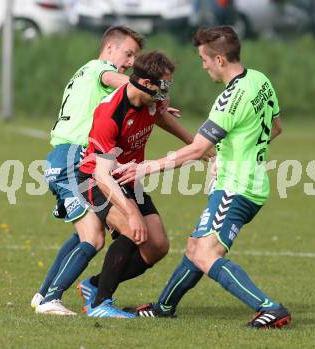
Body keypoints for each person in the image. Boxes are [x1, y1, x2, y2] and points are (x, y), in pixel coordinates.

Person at [117, 26, 291, 328]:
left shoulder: (229, 100)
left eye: (204, 59)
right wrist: (240, 152)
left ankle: (269, 308)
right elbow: (276, 128)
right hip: (251, 182)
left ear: (220, 59)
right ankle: (164, 307)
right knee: (196, 246)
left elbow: (196, 149)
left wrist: (147, 167)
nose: (204, 65)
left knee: (205, 252)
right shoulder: (260, 80)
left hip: (236, 188)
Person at [33, 26, 193, 315]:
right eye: (128, 53)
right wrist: (153, 89)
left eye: (135, 56)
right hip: (75, 156)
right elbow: (118, 80)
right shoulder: (99, 69)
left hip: (89, 158)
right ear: (109, 48)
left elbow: (154, 113)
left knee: (90, 232)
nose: (131, 60)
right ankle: (59, 300)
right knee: (94, 235)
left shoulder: (108, 86)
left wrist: (193, 142)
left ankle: (48, 293)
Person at [77, 50, 181, 318]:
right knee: (132, 231)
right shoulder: (109, 113)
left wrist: (197, 145)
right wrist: (131, 212)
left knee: (157, 246)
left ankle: (95, 285)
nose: (166, 92)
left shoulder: (152, 99)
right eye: (164, 85)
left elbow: (159, 115)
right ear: (146, 83)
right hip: (94, 178)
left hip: (127, 178)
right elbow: (101, 174)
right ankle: (100, 305)